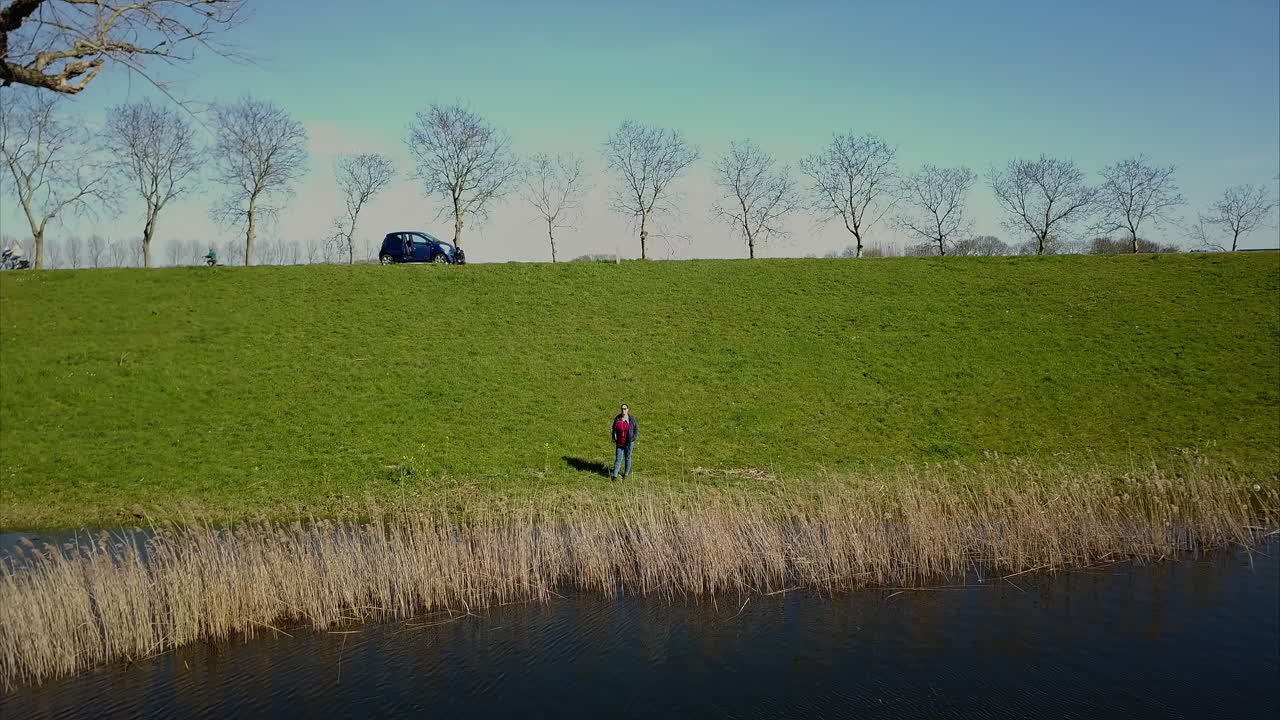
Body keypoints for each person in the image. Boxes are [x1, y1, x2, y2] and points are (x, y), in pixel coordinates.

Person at [611, 403, 638, 480]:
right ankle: (615, 476)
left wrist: (633, 438)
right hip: (620, 443)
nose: (623, 410)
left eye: (625, 409)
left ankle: (626, 475)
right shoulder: (617, 418)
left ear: (627, 410)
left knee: (628, 458)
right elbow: (614, 428)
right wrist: (614, 437)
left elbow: (636, 429)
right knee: (618, 459)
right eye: (622, 409)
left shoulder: (631, 419)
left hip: (629, 443)